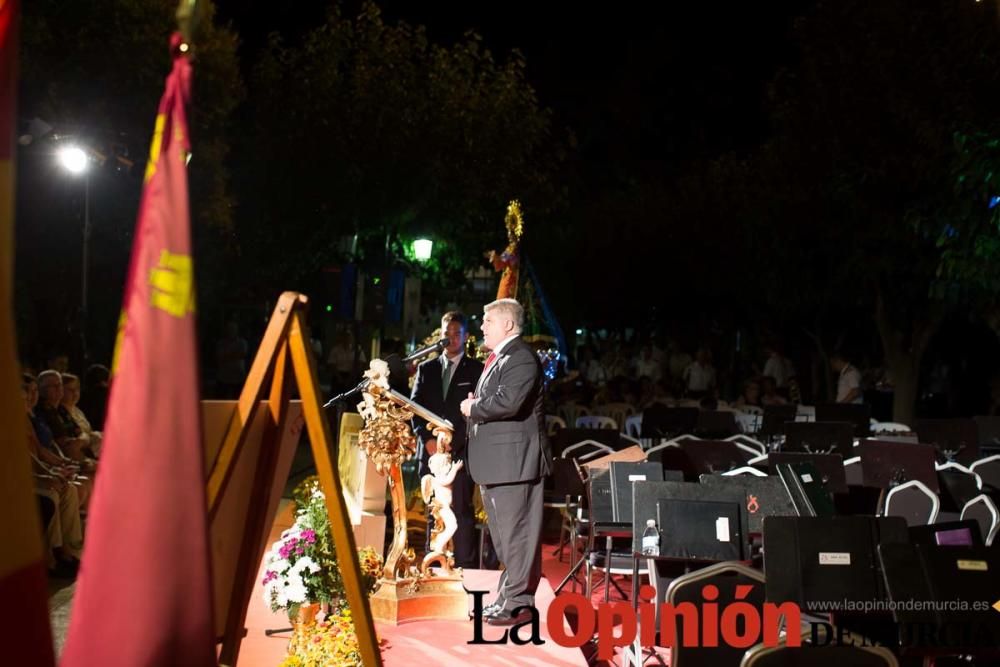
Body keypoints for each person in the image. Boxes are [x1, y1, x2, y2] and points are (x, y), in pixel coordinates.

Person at [460, 298, 552, 626]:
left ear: (508, 325)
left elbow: (510, 402)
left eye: (487, 322)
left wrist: (475, 407)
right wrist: (479, 402)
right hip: (498, 464)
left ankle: (519, 604)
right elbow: (497, 398)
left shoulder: (521, 358)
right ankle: (508, 597)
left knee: (518, 537)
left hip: (516, 464)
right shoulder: (499, 358)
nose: (481, 327)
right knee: (505, 538)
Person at [410, 311, 484, 568]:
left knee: (461, 511)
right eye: (446, 334)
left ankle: (465, 568)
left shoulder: (477, 370)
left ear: (465, 337)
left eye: (456, 334)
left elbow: (478, 413)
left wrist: (456, 443)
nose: (450, 339)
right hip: (430, 455)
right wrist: (427, 440)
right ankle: (435, 563)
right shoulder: (426, 369)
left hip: (460, 454)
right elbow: (414, 409)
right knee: (434, 511)